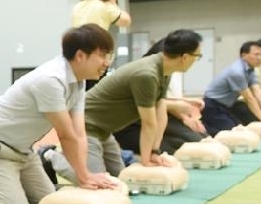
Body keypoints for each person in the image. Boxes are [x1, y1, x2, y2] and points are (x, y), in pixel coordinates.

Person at [0, 24, 117, 204]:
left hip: (23, 152)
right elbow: (66, 135)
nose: (106, 62)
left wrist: (84, 174)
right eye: (102, 55)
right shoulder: (51, 79)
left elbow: (79, 133)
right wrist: (83, 177)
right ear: (80, 56)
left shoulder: (78, 81)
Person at [43, 29, 204, 183]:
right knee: (97, 182)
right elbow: (149, 123)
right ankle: (49, 156)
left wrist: (155, 151)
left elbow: (160, 114)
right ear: (185, 57)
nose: (196, 60)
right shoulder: (147, 74)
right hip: (86, 126)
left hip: (105, 130)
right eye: (197, 56)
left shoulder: (164, 70)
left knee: (122, 179)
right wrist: (146, 161)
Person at [112, 40, 206, 155]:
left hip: (152, 118)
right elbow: (148, 110)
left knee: (195, 141)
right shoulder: (146, 73)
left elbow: (161, 104)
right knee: (179, 148)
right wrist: (152, 153)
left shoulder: (166, 73)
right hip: (129, 126)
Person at [201, 41, 261, 135]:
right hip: (212, 105)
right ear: (244, 55)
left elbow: (257, 90)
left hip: (226, 106)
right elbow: (250, 98)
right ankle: (203, 126)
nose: (260, 58)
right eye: (256, 54)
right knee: (233, 133)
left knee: (239, 128)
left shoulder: (250, 69)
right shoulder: (237, 71)